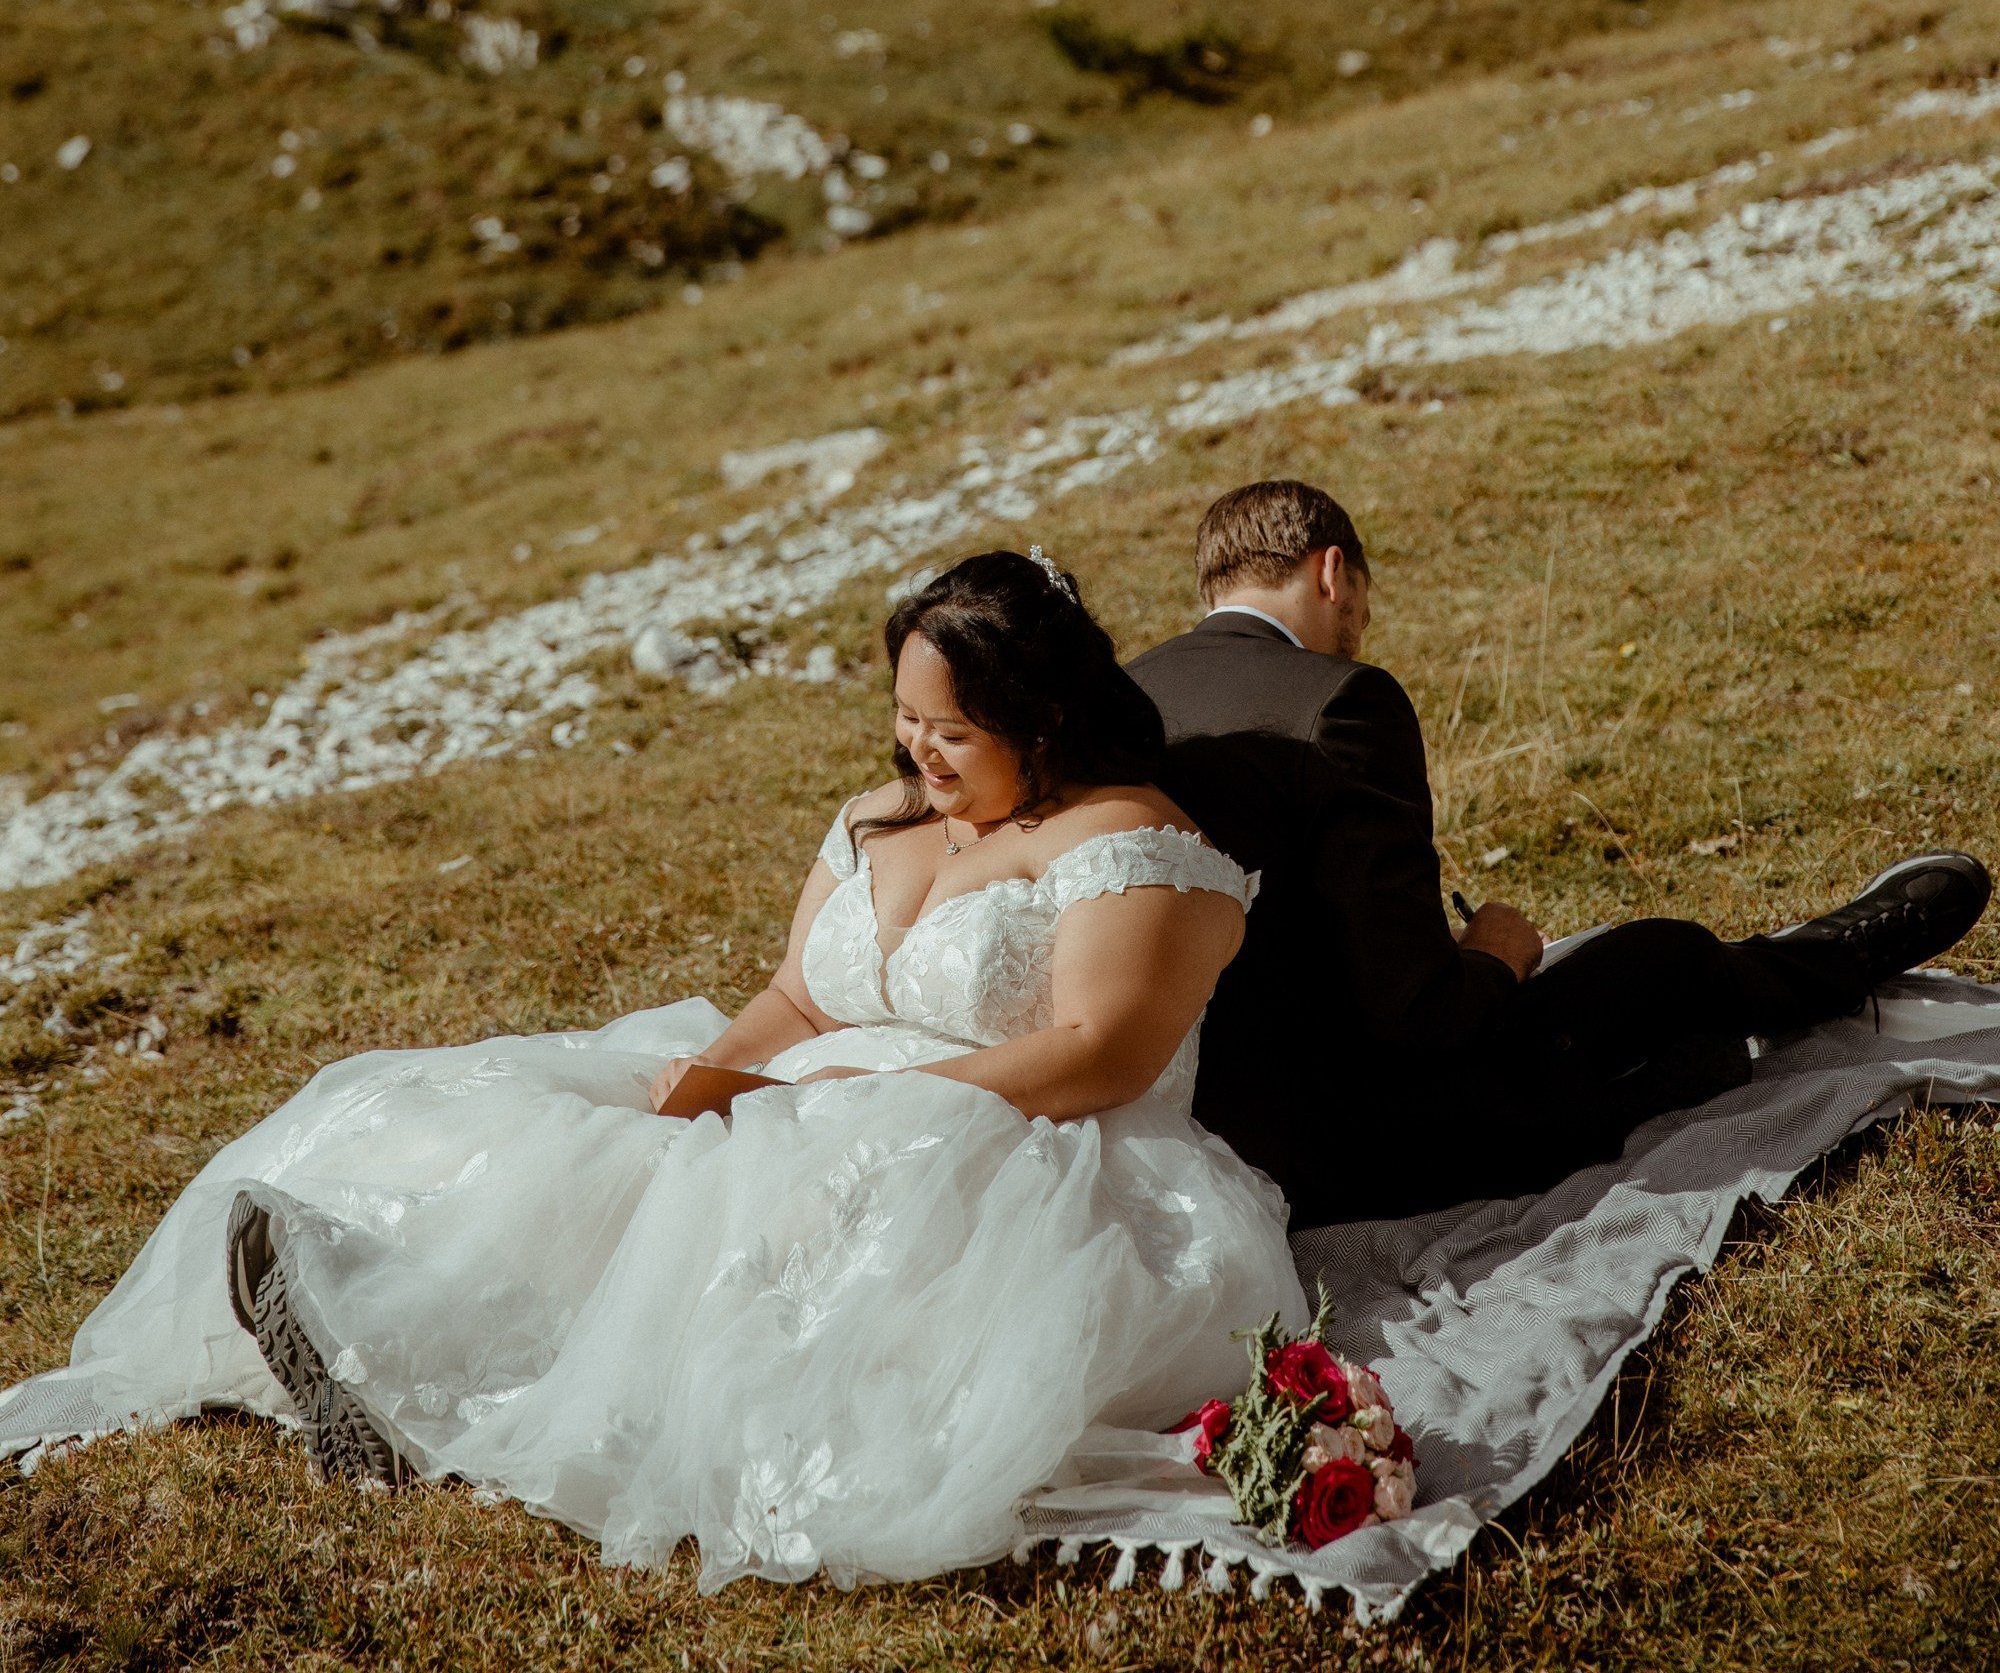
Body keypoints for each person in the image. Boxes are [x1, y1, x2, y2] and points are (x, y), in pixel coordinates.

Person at [2, 551, 1301, 1589]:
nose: (920, 758)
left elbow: (1101, 1054)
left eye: (951, 732)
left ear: (1046, 715)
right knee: (562, 1118)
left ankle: (415, 1371)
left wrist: (841, 1106)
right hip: (814, 1090)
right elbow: (799, 993)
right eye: (906, 724)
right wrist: (706, 1076)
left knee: (744, 1201)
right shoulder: (878, 819)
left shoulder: (1129, 842)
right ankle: (375, 1318)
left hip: (1008, 1144)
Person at [1127, 478, 1991, 1224]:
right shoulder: (1340, 701)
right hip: (1355, 1142)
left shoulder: (1126, 697)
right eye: (1362, 602)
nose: (1359, 626)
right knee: (1662, 958)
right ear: (1330, 571)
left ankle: (1734, 1020)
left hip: (1194, 1139)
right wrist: (1496, 956)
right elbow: (1416, 1016)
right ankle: (1830, 962)